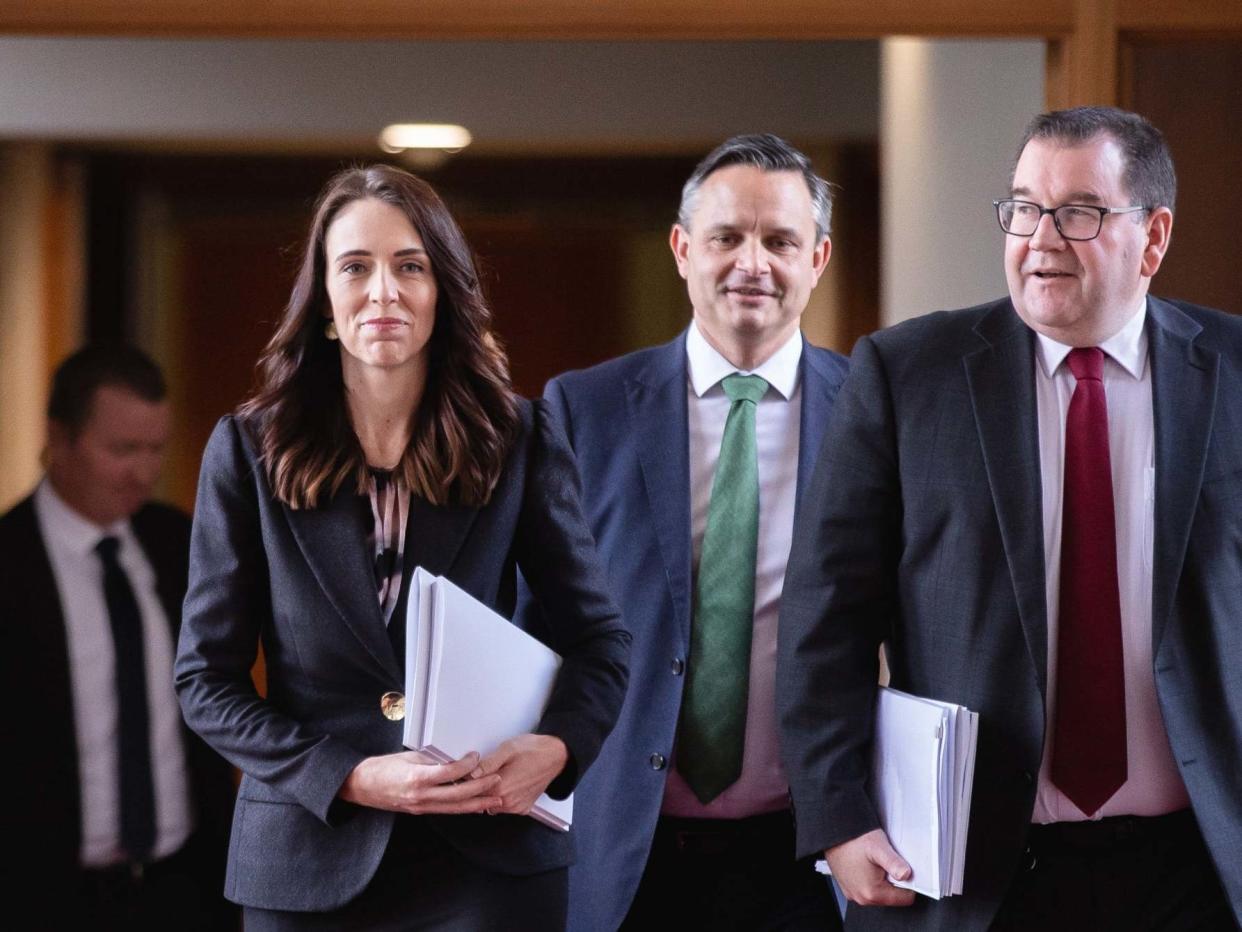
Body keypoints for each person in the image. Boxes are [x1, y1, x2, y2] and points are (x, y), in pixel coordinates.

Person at [779, 105, 1242, 931]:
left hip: (1199, 867)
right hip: (974, 871)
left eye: (1079, 212)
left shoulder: (1233, 373)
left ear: (1155, 237)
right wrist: (839, 817)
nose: (1040, 238)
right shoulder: (909, 373)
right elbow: (827, 619)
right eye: (1025, 207)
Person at [173, 164, 630, 929]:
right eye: (355, 267)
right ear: (323, 300)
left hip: (487, 855)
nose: (383, 290)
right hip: (308, 856)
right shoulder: (247, 449)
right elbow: (205, 682)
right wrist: (350, 776)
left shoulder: (517, 438)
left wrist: (556, 748)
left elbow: (600, 640)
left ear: (441, 292)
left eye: (410, 266)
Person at [519, 134, 848, 932]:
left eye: (780, 241)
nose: (752, 263)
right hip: (622, 844)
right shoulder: (582, 408)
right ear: (681, 248)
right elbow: (534, 622)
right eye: (727, 237)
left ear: (818, 258)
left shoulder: (873, 409)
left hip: (809, 853)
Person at [0, 345, 235, 929]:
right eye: (122, 449)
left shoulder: (178, 542)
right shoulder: (7, 563)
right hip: (43, 896)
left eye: (154, 448)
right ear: (59, 439)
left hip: (186, 890)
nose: (144, 471)